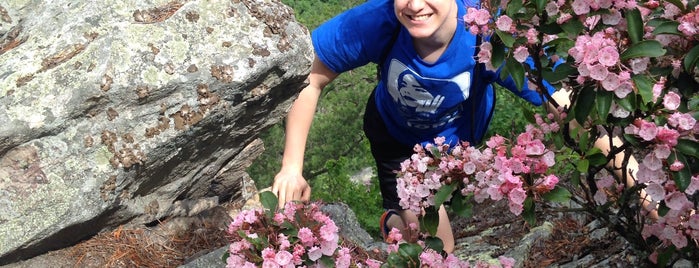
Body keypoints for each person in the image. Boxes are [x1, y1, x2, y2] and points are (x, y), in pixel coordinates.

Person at [270, 0, 553, 253]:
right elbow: (310, 76)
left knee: (435, 213)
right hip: (396, 140)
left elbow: (559, 97)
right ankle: (397, 217)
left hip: (457, 143)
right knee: (441, 248)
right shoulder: (379, 21)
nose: (415, 5)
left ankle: (397, 218)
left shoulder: (486, 32)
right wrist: (292, 168)